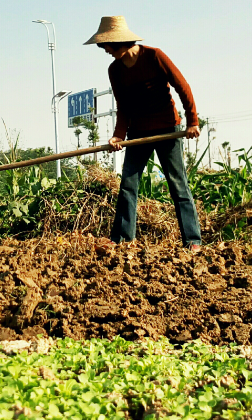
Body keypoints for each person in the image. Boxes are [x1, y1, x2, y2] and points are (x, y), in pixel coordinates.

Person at [84, 16, 202, 251]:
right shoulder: (115, 70)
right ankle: (122, 238)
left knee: (178, 184)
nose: (105, 50)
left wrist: (192, 121)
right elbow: (123, 105)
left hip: (167, 128)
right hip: (137, 132)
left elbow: (182, 86)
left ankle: (192, 240)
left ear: (119, 42)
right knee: (128, 184)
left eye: (106, 45)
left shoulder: (154, 56)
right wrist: (118, 135)